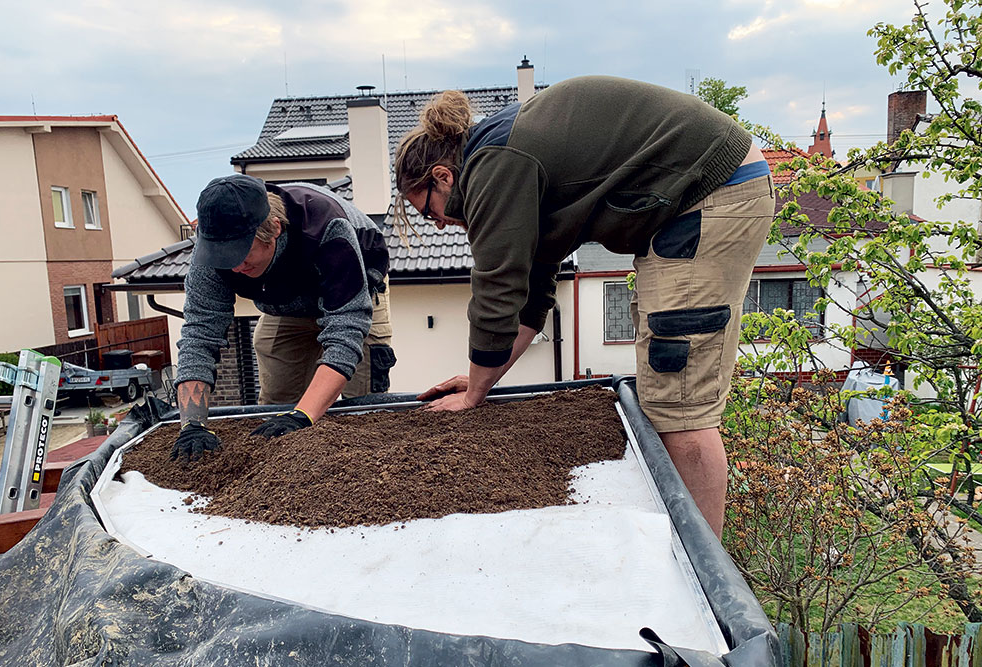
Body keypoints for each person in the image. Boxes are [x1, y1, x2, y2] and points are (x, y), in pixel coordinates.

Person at [394, 75, 774, 536]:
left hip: (711, 192)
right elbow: (533, 294)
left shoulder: (493, 164)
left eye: (428, 210)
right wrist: (482, 380)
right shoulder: (503, 157)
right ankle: (689, 551)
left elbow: (496, 287)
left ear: (442, 176)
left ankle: (703, 577)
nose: (437, 225)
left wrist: (474, 393)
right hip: (695, 197)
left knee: (679, 401)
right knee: (666, 393)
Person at [171, 174, 394, 461]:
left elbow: (345, 328)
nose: (235, 267)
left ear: (274, 229)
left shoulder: (326, 228)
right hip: (287, 303)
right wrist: (192, 424)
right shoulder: (211, 250)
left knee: (361, 407)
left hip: (353, 292)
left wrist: (303, 415)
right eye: (225, 257)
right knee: (276, 407)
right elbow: (199, 333)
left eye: (242, 254)